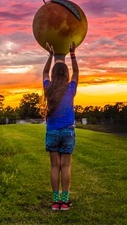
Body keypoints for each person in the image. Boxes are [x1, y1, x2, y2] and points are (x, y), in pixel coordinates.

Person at [42, 41, 78, 211]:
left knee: (55, 166)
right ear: (66, 75)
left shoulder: (48, 88)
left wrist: (50, 56)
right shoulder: (71, 88)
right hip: (68, 132)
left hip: (53, 132)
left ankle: (55, 202)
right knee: (66, 166)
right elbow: (77, 72)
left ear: (54, 75)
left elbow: (44, 72)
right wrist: (72, 54)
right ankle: (65, 201)